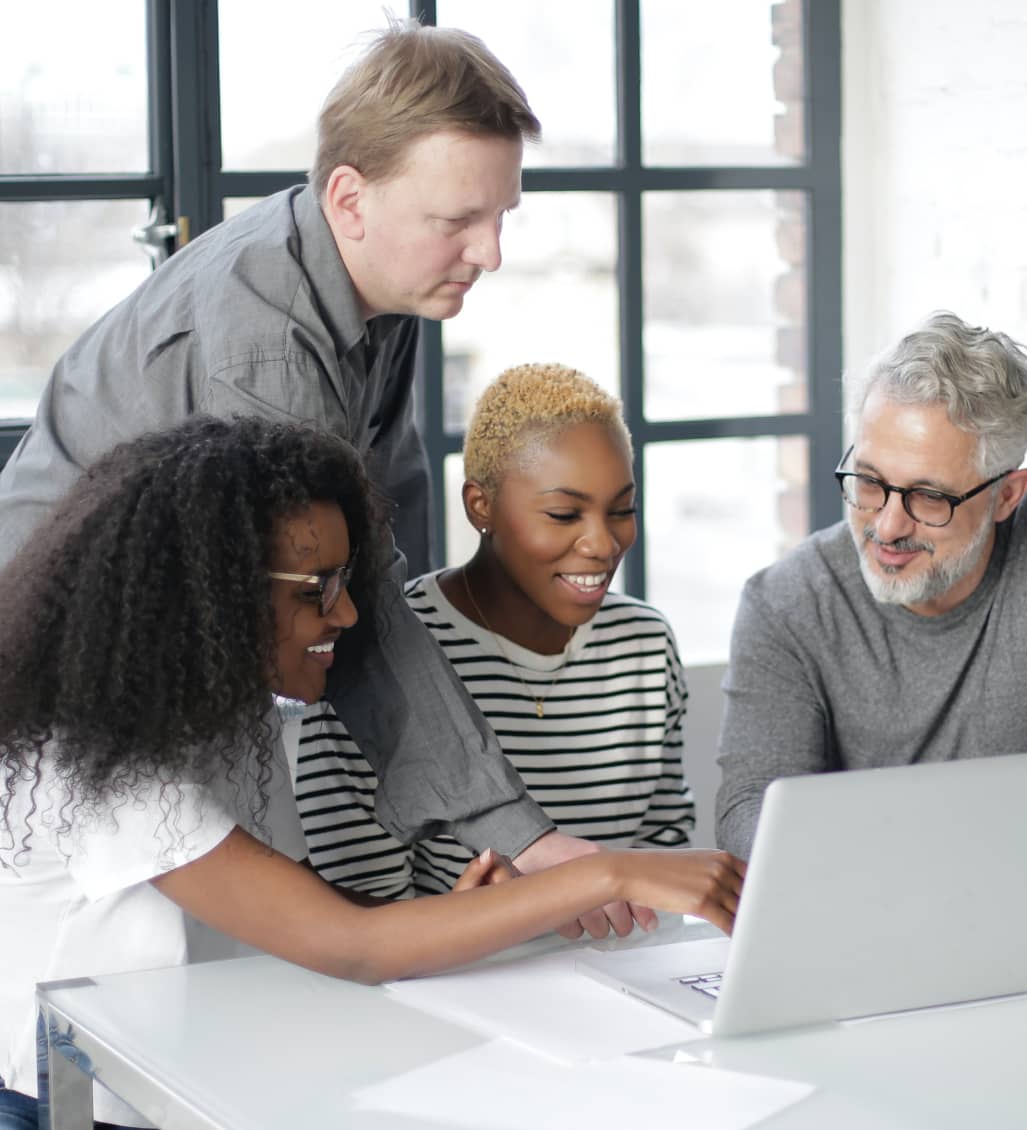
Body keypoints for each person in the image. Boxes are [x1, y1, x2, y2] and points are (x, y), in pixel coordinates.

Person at [0, 19, 613, 915]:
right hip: (64, 711)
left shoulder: (383, 298)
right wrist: (512, 830)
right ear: (351, 198)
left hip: (176, 679)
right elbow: (343, 594)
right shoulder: (267, 350)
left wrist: (472, 823)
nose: (490, 253)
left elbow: (377, 553)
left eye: (499, 217)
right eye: (458, 222)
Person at [0, 416, 746, 1130]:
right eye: (315, 589)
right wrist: (611, 874)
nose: (349, 615)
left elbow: (302, 906)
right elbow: (352, 943)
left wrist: (454, 917)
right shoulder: (107, 768)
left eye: (346, 580)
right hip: (70, 1106)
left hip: (177, 1080)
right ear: (212, 594)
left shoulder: (221, 713)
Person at [715, 311, 1027, 862]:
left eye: (929, 497)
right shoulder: (785, 603)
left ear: (1008, 495)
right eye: (868, 481)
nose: (886, 527)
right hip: (859, 921)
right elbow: (749, 815)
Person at [295, 363, 695, 899]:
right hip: (449, 977)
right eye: (562, 514)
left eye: (623, 509)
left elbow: (663, 858)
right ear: (480, 505)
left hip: (618, 971)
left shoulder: (645, 644)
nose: (603, 544)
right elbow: (357, 918)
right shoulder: (380, 658)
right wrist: (483, 919)